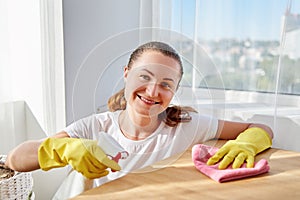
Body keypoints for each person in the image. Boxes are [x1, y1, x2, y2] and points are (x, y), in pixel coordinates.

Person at [5, 41, 273, 198]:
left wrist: (245, 145)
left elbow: (260, 127)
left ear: (174, 91)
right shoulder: (95, 127)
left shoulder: (186, 124)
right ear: (126, 74)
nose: (153, 91)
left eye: (166, 84)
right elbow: (16, 160)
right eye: (144, 77)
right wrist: (63, 148)